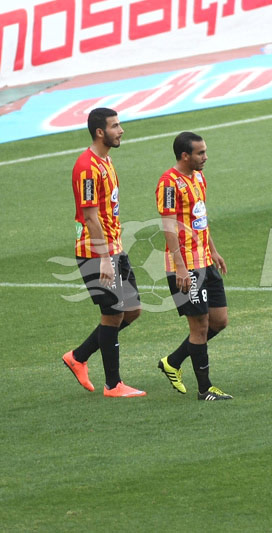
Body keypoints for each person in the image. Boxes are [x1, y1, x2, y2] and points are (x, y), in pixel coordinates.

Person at [62, 107, 146, 398]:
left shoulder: (105, 161)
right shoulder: (87, 167)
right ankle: (113, 385)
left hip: (115, 249)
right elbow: (90, 217)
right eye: (115, 126)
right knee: (112, 315)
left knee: (132, 311)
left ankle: (79, 356)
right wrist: (105, 258)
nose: (121, 130)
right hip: (96, 252)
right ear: (100, 132)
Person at [155, 132, 232, 401]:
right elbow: (168, 226)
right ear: (185, 156)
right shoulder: (168, 184)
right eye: (200, 153)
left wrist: (213, 249)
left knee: (219, 321)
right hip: (186, 265)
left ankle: (172, 361)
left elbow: (200, 216)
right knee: (199, 327)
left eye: (205, 151)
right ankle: (205, 389)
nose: (206, 157)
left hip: (206, 261)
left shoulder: (198, 177)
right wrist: (180, 267)